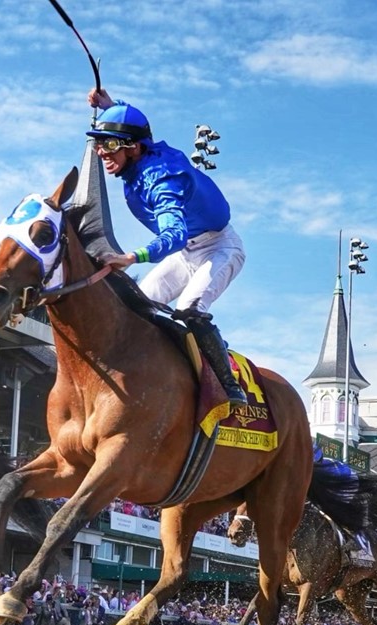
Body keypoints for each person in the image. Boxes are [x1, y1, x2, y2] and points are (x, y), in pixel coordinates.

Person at [85, 88, 247, 408]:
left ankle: (228, 384)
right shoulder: (144, 151)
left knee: (189, 307)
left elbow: (174, 232)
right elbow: (140, 125)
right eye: (100, 142)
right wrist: (110, 106)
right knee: (136, 305)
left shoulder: (162, 180)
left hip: (219, 248)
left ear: (133, 148)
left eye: (111, 144)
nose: (103, 152)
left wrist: (134, 257)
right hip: (187, 252)